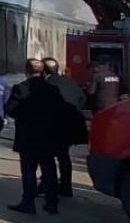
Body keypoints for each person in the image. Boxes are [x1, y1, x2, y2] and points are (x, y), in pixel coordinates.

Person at [5, 58, 67, 214]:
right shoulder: (52, 89)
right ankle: (52, 202)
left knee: (29, 171)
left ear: (27, 71)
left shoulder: (21, 88)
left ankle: (28, 202)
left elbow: (11, 109)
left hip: (28, 135)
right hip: (48, 135)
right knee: (49, 169)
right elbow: (61, 110)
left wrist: (26, 116)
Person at [43, 57, 88, 198]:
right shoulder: (70, 82)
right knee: (63, 156)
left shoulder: (46, 84)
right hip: (70, 126)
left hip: (51, 126)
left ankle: (48, 185)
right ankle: (66, 186)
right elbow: (83, 99)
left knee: (47, 157)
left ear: (44, 71)